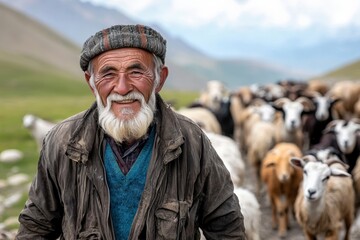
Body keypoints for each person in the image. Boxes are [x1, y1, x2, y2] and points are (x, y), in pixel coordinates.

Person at [16, 24, 245, 239]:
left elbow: (226, 227)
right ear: (91, 82)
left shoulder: (192, 143)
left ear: (159, 79)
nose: (123, 88)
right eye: (108, 74)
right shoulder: (62, 143)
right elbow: (36, 226)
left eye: (136, 72)